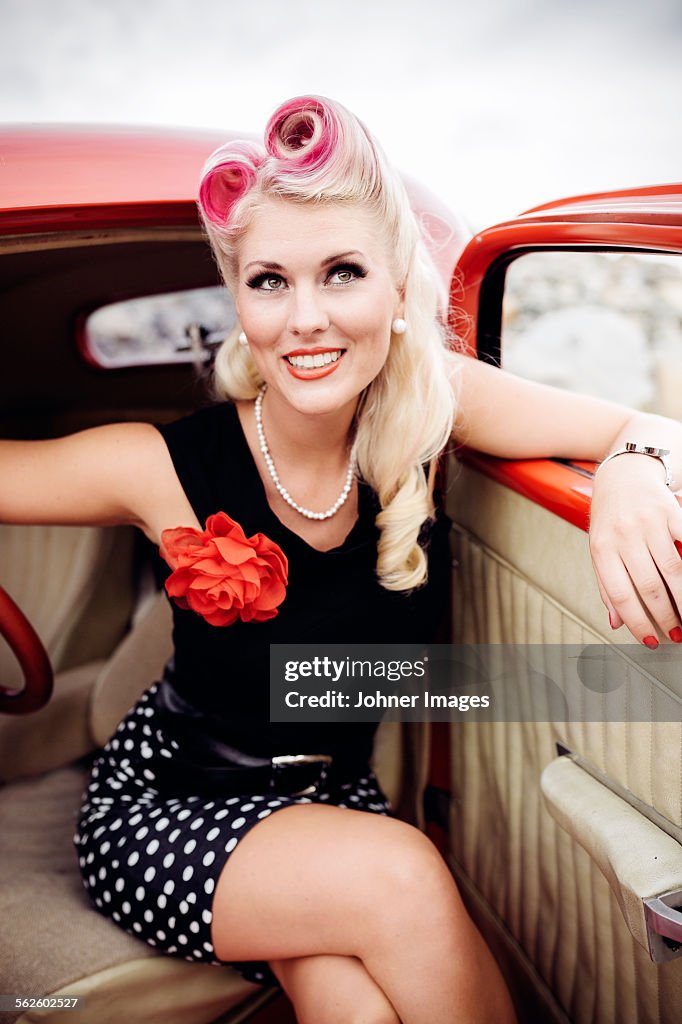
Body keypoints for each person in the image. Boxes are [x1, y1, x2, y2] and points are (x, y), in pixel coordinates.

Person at [3, 95, 682, 1024]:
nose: (305, 320)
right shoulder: (160, 463)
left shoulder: (433, 405)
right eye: (270, 281)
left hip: (330, 800)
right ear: (237, 298)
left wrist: (634, 477)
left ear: (399, 291)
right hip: (166, 808)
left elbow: (643, 426)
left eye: (343, 273)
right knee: (402, 875)